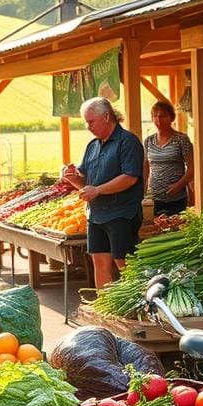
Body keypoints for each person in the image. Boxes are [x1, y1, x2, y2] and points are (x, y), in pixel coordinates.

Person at [61, 97, 144, 289]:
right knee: (98, 260)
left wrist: (97, 190)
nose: (88, 126)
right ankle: (105, 308)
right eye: (86, 122)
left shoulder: (128, 141)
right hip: (96, 215)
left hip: (121, 214)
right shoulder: (92, 145)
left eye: (91, 121)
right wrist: (73, 179)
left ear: (107, 116)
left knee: (124, 264)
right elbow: (85, 182)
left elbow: (130, 178)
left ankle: (136, 308)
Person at [144, 101, 194, 216]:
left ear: (171, 118)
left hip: (176, 198)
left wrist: (179, 185)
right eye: (155, 116)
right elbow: (145, 168)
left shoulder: (181, 139)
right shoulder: (148, 141)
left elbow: (192, 168)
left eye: (162, 116)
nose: (158, 120)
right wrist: (143, 190)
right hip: (154, 198)